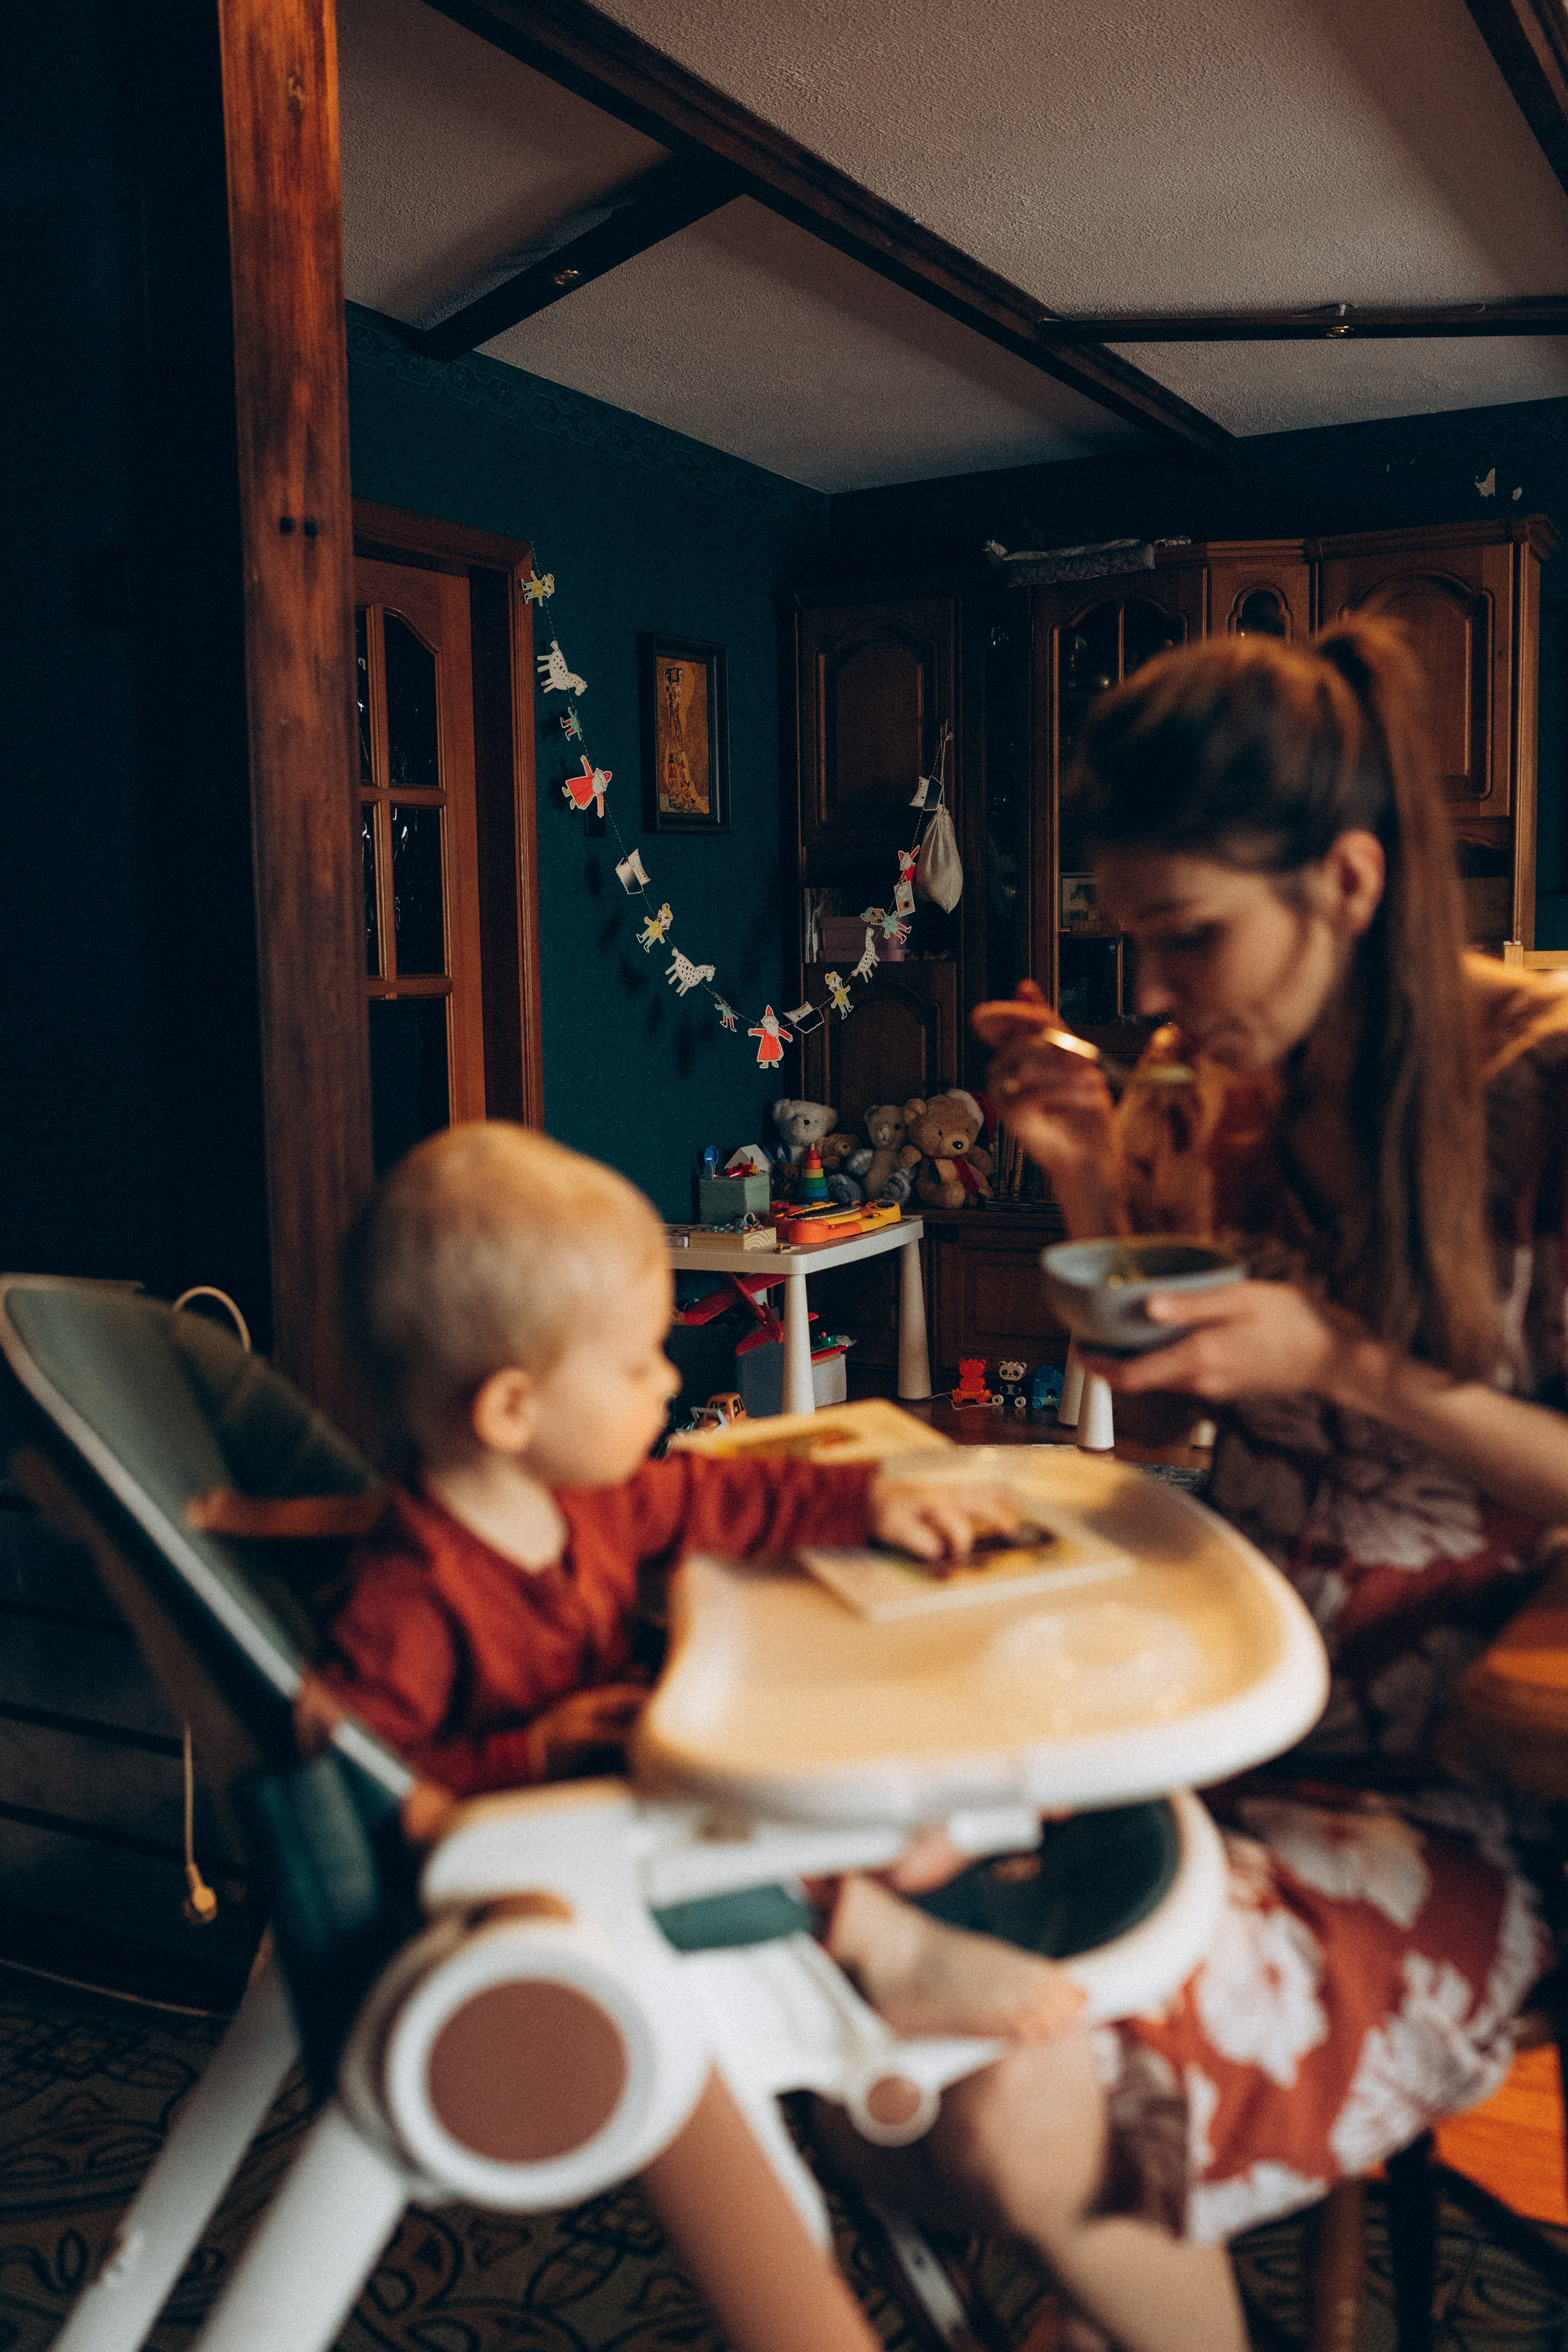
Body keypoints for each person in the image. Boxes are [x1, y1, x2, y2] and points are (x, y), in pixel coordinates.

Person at [864, 614, 1567, 2339]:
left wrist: (1336, 1360)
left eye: (1190, 940)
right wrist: (1090, 1174)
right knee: (832, 1906)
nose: (1158, 999)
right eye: (1134, 942)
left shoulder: (1543, 1088)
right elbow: (1159, 1378)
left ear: (1347, 879)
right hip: (1208, 1703)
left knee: (1003, 2109)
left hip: (1464, 1789)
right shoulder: (1214, 1090)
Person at [313, 1120, 1024, 1794]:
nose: (669, 1380)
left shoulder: (586, 1493)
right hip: (569, 1847)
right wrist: (526, 1755)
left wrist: (868, 1500)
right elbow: (358, 1783)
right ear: (511, 1411)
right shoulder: (405, 1599)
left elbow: (715, 1494)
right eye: (635, 1364)